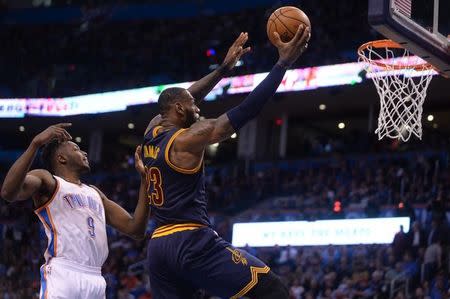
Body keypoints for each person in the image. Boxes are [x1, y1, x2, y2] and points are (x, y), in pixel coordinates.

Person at [142, 26, 310, 298]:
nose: (198, 107)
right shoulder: (186, 139)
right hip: (190, 240)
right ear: (180, 110)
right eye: (193, 106)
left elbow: (186, 95)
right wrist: (282, 64)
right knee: (272, 289)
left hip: (158, 246)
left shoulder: (152, 130)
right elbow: (246, 110)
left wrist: (222, 70)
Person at [1, 124, 149, 298]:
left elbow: (136, 229)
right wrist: (35, 144)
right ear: (61, 158)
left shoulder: (95, 193)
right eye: (77, 149)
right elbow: (8, 192)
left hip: (96, 279)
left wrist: (145, 180)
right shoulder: (49, 181)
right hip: (64, 273)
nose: (85, 153)